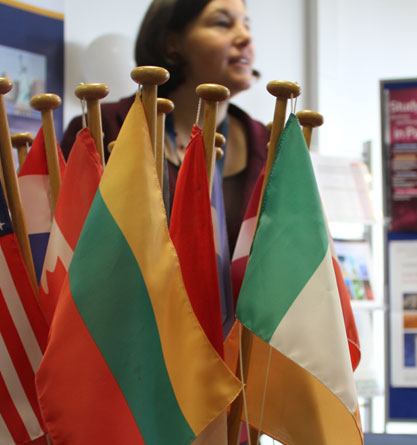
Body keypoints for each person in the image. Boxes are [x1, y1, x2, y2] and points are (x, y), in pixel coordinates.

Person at [61, 0, 268, 259]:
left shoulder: (267, 142)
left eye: (246, 25)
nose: (245, 37)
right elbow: (68, 245)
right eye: (223, 23)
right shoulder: (104, 126)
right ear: (172, 43)